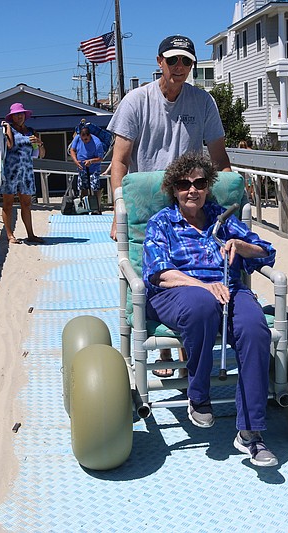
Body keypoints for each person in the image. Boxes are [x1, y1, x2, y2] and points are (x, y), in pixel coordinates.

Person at [142, 153, 278, 467]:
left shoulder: (222, 219)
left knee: (254, 327)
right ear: (173, 189)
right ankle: (199, 394)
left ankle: (250, 433)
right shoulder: (162, 222)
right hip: (176, 292)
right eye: (184, 184)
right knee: (201, 305)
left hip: (227, 288)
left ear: (207, 186)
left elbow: (266, 252)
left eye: (199, 183)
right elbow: (160, 273)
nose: (193, 190)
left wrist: (241, 247)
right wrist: (202, 286)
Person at [108, 34, 232, 376]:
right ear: (159, 62)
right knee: (151, 273)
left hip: (188, 193)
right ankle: (163, 352)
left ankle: (185, 347)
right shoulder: (136, 102)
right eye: (173, 60)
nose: (180, 67)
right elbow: (120, 161)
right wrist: (120, 211)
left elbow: (220, 158)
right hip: (147, 200)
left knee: (189, 268)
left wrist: (230, 201)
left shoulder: (203, 102)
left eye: (187, 62)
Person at [0, 102, 46, 244]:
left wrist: (39, 143)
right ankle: (10, 235)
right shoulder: (7, 130)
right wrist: (8, 128)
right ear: (12, 117)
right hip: (10, 171)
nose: (19, 117)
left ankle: (30, 234)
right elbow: (9, 145)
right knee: (8, 204)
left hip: (26, 172)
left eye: (21, 114)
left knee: (26, 204)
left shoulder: (31, 131)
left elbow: (41, 154)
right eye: (16, 115)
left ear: (25, 115)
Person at [69, 126, 104, 214]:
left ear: (90, 136)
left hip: (94, 167)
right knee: (82, 187)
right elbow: (72, 150)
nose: (84, 141)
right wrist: (76, 161)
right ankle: (84, 207)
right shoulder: (77, 138)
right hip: (82, 167)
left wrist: (91, 161)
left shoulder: (97, 143)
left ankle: (97, 208)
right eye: (82, 139)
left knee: (94, 187)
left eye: (86, 139)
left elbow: (100, 158)